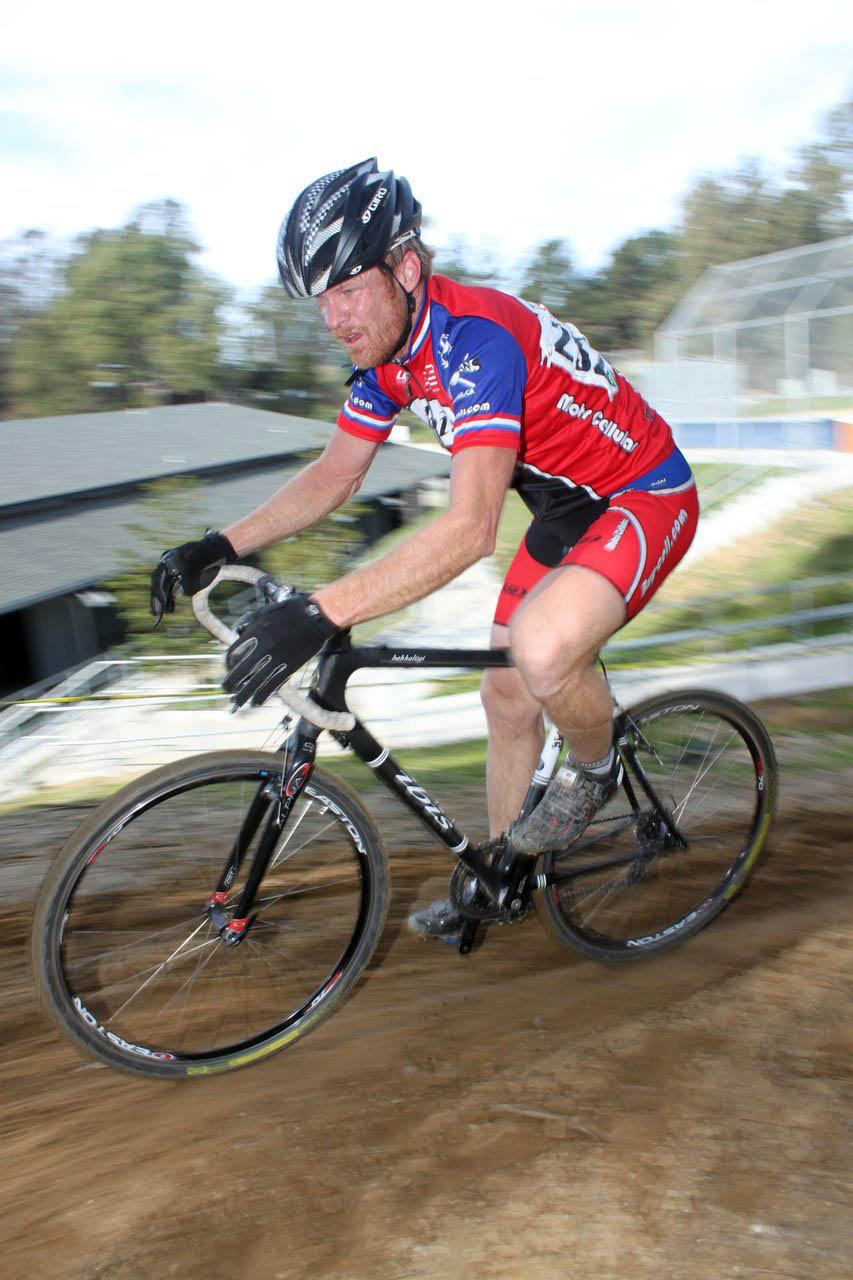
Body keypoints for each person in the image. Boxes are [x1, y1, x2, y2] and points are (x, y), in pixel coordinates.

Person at [150, 157, 699, 940]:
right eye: (320, 300)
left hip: (641, 494)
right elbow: (337, 471)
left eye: (346, 289)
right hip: (562, 508)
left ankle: (596, 765)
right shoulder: (391, 357)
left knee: (542, 656)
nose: (334, 318)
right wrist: (219, 543)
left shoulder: (476, 342)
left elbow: (470, 528)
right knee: (505, 695)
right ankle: (503, 874)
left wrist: (321, 611)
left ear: (405, 268)